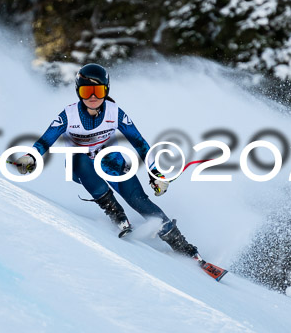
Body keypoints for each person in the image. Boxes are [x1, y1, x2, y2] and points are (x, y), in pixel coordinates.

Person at [15, 63, 198, 257]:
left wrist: (156, 174)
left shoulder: (114, 112)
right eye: (87, 92)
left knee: (138, 200)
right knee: (78, 157)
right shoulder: (68, 115)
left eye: (98, 91)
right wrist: (31, 156)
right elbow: (46, 140)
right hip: (81, 167)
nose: (93, 97)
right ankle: (115, 213)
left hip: (109, 161)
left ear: (106, 90)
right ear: (79, 92)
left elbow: (140, 143)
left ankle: (182, 246)